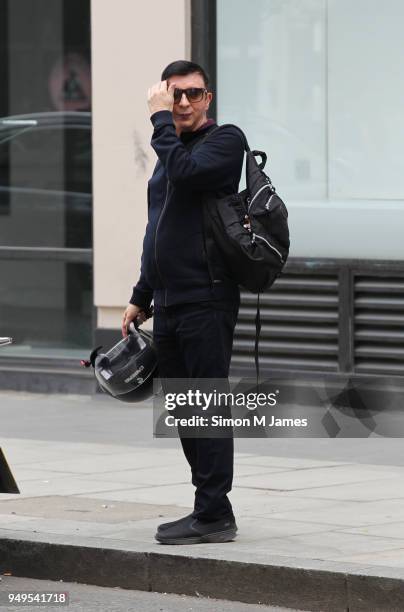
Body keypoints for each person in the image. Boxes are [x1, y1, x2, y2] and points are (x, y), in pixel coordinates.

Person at [122, 60, 244, 545]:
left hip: (207, 301)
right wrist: (140, 295)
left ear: (208, 99)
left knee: (207, 408)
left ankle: (215, 513)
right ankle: (208, 508)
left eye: (194, 95)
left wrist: (158, 123)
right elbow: (160, 232)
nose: (185, 104)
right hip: (170, 304)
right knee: (185, 412)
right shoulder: (168, 154)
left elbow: (190, 173)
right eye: (175, 96)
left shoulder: (224, 141)